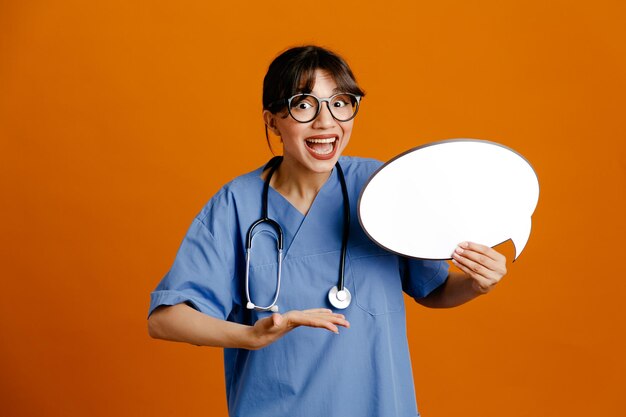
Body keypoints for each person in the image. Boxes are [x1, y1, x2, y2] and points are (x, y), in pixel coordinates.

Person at [148, 45, 507, 417]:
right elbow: (164, 319)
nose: (326, 122)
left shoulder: (380, 187)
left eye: (340, 103)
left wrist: (477, 283)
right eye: (304, 105)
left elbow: (433, 289)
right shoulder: (236, 205)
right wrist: (250, 337)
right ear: (272, 120)